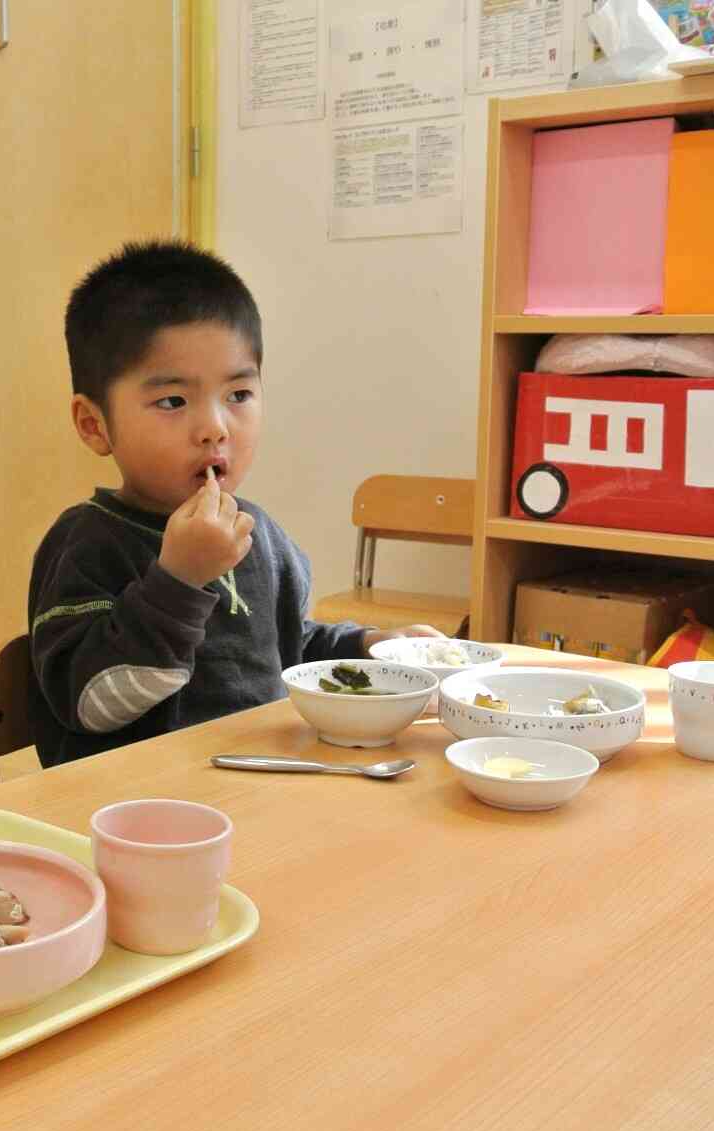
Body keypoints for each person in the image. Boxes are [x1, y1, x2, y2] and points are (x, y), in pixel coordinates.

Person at [27, 240, 442, 766]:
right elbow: (90, 704)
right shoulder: (88, 544)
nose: (215, 428)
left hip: (261, 791)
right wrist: (178, 581)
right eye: (172, 401)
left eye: (238, 395)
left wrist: (369, 647)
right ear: (94, 424)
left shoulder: (259, 534)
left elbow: (285, 649)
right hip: (142, 816)